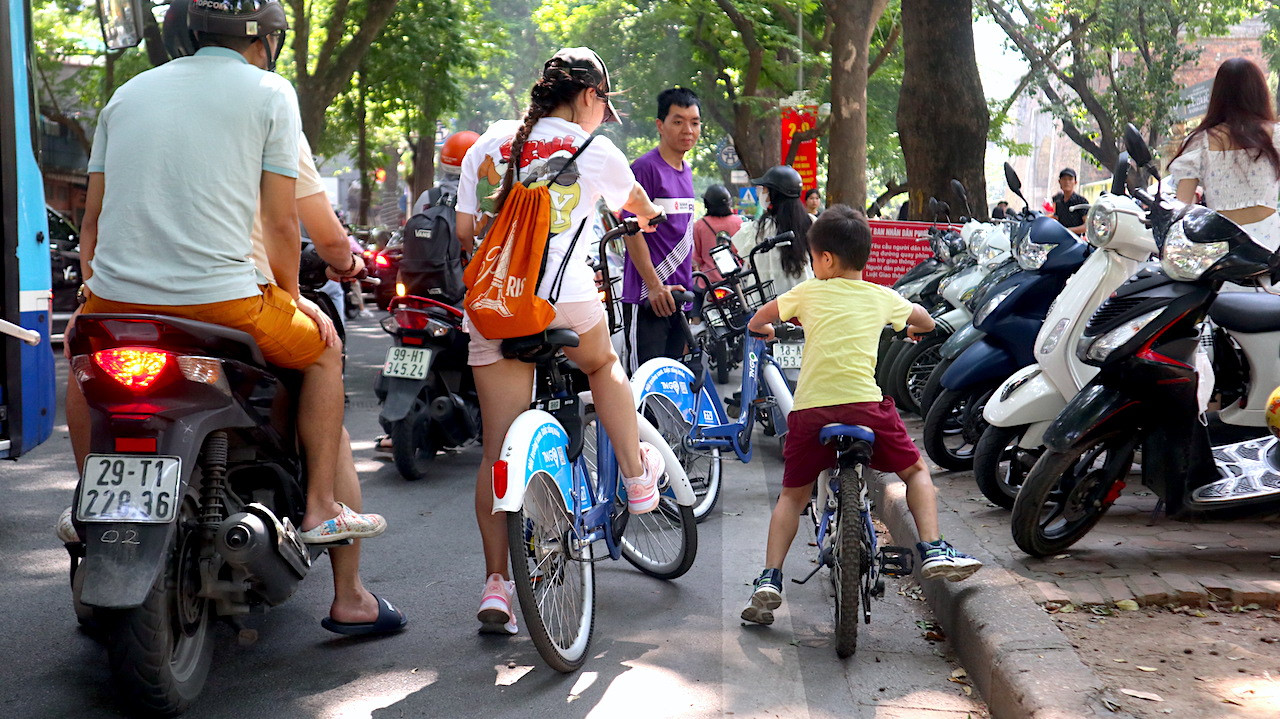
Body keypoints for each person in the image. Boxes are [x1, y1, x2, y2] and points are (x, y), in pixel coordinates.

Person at [65, 0, 399, 635]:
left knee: (85, 361)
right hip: (226, 304)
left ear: (190, 32)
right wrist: (293, 296)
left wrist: (96, 287)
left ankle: (92, 499)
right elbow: (281, 222)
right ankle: (325, 517)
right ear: (266, 41)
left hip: (116, 304)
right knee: (326, 351)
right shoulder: (270, 93)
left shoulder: (126, 94)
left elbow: (92, 222)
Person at [455, 47, 668, 636]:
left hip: (496, 309)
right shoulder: (596, 149)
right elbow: (642, 213)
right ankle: (636, 477)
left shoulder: (488, 144)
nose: (604, 116)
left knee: (498, 446)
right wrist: (642, 219)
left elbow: (466, 233)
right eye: (604, 103)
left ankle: (496, 585)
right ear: (588, 98)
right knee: (603, 366)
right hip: (565, 301)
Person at [739, 205, 983, 626]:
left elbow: (757, 320)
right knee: (915, 473)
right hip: (867, 409)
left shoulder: (808, 293)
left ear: (826, 259)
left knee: (792, 497)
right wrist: (912, 330)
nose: (813, 265)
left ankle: (770, 577)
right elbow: (924, 321)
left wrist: (766, 331)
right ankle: (934, 546)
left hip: (811, 412)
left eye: (813, 258)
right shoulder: (882, 295)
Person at [620, 87, 702, 371]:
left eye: (694, 122)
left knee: (673, 386)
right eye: (678, 121)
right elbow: (631, 230)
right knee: (644, 391)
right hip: (647, 299)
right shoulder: (644, 169)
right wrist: (654, 287)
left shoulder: (687, 171)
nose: (688, 129)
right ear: (660, 125)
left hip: (679, 300)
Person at [1169, 57, 1280, 252]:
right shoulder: (1275, 136)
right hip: (1272, 247)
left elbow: (1181, 208)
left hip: (1222, 250)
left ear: (1218, 95)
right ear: (1259, 92)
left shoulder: (1199, 142)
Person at [732, 165, 813, 297]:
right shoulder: (810, 222)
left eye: (764, 189)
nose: (762, 193)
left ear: (775, 194)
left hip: (766, 301)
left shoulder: (758, 228)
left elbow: (741, 252)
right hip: (804, 297)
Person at [692, 184, 742, 283]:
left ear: (707, 204)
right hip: (737, 278)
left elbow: (697, 258)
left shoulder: (700, 225)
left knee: (694, 296)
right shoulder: (739, 222)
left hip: (708, 281)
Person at [1051, 168, 1087, 234]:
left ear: (1075, 182)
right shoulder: (1058, 201)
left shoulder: (1081, 201)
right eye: (1064, 179)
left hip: (1076, 241)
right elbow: (1056, 218)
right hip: (1060, 238)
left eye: (1070, 179)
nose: (1067, 182)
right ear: (1059, 182)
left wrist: (1067, 231)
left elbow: (1086, 226)